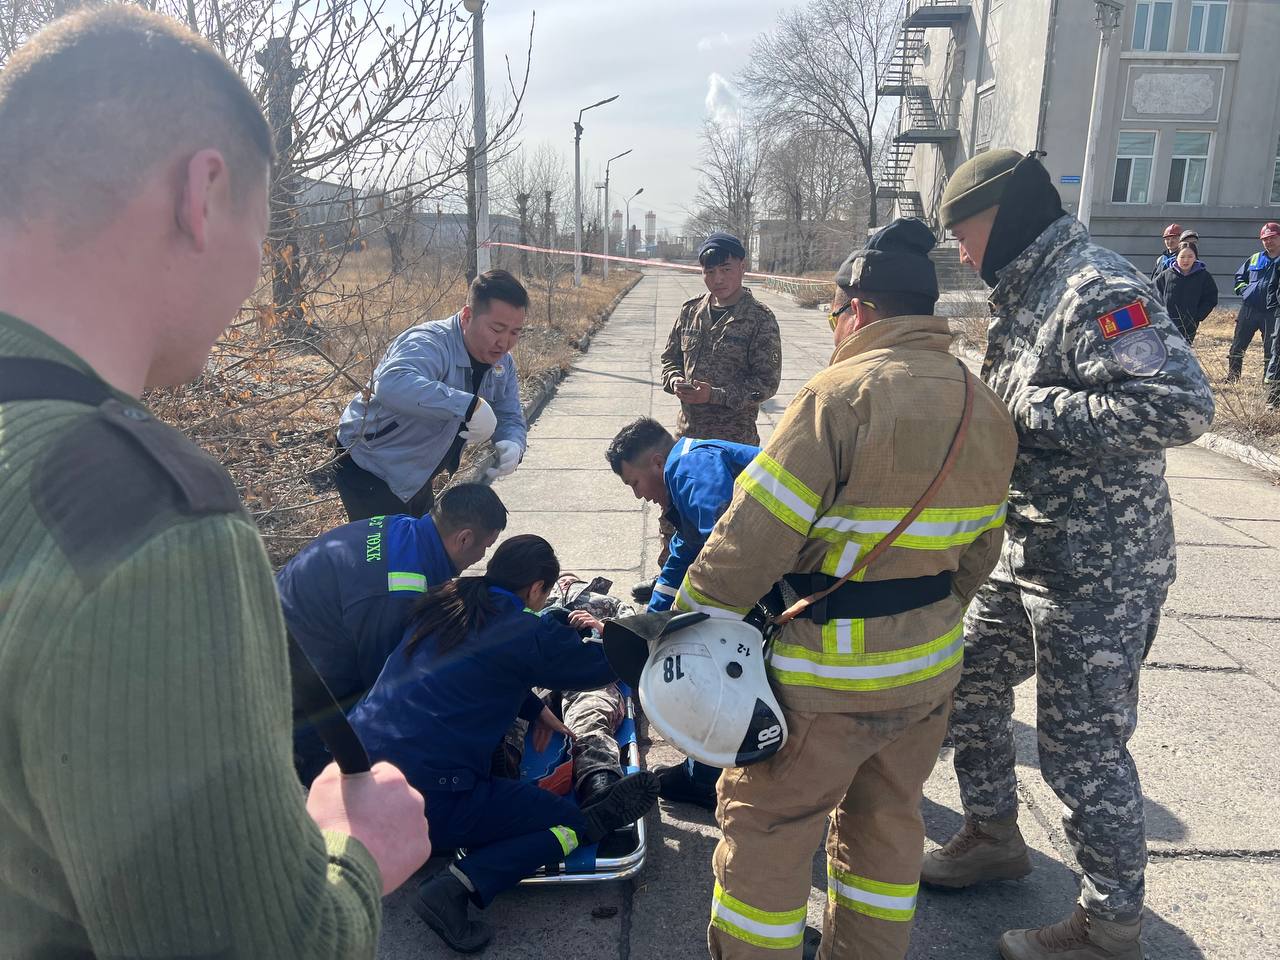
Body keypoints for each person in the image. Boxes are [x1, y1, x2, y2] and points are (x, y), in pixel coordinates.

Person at [0, 9, 429, 958]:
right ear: (204, 192)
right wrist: (358, 855)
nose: (252, 272)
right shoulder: (151, 524)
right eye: (263, 226)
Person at [668, 218, 1019, 960]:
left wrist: (684, 624)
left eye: (835, 311)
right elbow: (980, 554)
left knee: (768, 828)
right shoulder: (983, 404)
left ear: (856, 308)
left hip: (826, 680)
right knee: (887, 832)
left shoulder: (838, 395)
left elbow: (751, 538)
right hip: (926, 673)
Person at [928, 149, 1214, 960]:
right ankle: (990, 834)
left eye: (966, 231)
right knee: (964, 678)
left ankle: (1109, 922)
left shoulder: (1097, 288)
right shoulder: (1028, 290)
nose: (962, 251)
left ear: (1004, 216)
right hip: (1027, 551)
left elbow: (1181, 405)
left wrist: (1033, 407)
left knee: (1081, 747)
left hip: (1101, 571)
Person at [348, 535, 660, 953]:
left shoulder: (449, 603)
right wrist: (644, 638)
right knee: (569, 824)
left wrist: (533, 708)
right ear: (536, 589)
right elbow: (600, 666)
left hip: (356, 778)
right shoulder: (523, 630)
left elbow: (476, 665)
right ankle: (455, 888)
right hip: (425, 797)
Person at [278, 482, 508, 784]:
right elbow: (385, 688)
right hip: (299, 685)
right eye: (485, 547)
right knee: (349, 775)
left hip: (295, 634)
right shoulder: (399, 592)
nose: (482, 557)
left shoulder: (404, 530)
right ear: (464, 539)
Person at [597, 417, 759, 809]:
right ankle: (705, 771)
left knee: (708, 660)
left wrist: (679, 623)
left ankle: (704, 777)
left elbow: (721, 551)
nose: (639, 496)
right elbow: (685, 553)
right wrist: (651, 617)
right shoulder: (688, 471)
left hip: (772, 580)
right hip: (767, 574)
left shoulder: (691, 465)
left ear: (656, 462)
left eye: (634, 483)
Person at [643, 232, 781, 603]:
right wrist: (674, 380)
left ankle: (722, 594)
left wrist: (716, 395)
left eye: (726, 269)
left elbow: (766, 384)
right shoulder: (690, 312)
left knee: (726, 522)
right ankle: (667, 582)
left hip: (732, 445)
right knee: (674, 516)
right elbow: (669, 357)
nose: (717, 278)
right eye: (710, 271)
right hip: (688, 437)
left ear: (742, 268)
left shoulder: (759, 320)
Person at [333, 269, 529, 521]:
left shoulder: (503, 364)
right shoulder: (429, 343)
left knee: (417, 546)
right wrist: (469, 406)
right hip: (371, 463)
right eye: (497, 329)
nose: (504, 342)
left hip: (419, 467)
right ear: (467, 316)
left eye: (515, 332)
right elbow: (392, 383)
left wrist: (514, 443)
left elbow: (509, 414)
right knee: (387, 554)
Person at [1226, 222, 1280, 381]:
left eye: (1273, 237)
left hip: (1272, 312)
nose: (1268, 241)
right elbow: (1239, 277)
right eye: (1265, 238)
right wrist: (1244, 291)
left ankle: (1268, 379)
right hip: (1249, 308)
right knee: (1238, 344)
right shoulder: (1255, 258)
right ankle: (1233, 377)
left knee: (1271, 348)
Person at [1153, 240, 1218, 343]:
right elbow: (1153, 295)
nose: (1186, 260)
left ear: (1195, 257)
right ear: (1176, 257)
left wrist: (1197, 316)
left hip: (1189, 325)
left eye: (1190, 256)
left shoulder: (1203, 276)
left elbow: (1211, 298)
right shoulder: (1165, 275)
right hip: (1166, 323)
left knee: (1182, 353)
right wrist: (1159, 315)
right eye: (1182, 257)